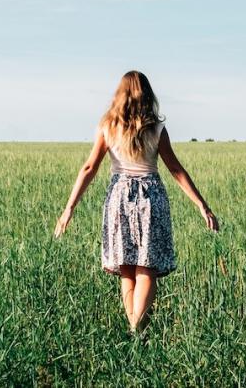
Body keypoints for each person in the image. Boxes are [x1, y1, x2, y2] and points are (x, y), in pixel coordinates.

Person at [54, 70, 219, 334]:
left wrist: (68, 209)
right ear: (147, 95)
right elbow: (176, 169)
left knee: (127, 268)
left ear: (119, 95)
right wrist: (202, 205)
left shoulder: (108, 126)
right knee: (146, 268)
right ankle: (136, 329)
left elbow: (89, 168)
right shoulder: (156, 128)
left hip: (118, 197)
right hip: (150, 197)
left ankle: (135, 330)